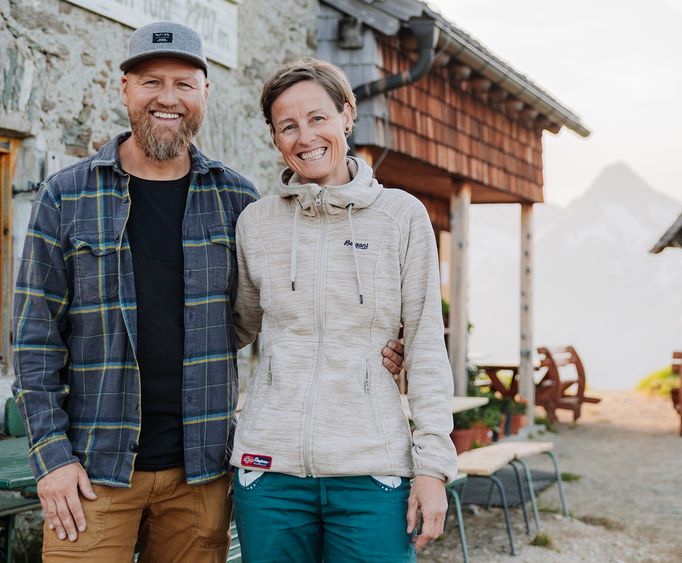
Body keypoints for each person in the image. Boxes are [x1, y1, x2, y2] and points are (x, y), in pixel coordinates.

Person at [12, 23, 405, 562]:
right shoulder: (66, 195)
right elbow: (34, 340)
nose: (167, 98)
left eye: (184, 84)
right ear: (124, 88)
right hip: (92, 474)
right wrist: (52, 459)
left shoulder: (237, 199)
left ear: (204, 95)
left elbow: (284, 304)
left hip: (202, 472)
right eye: (152, 82)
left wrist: (382, 339)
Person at [229, 57, 457, 562]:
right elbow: (233, 327)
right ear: (274, 136)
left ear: (347, 116)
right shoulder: (256, 223)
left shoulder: (401, 217)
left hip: (371, 472)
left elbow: (424, 347)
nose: (305, 136)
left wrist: (433, 466)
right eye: (287, 125)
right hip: (270, 474)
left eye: (317, 118)